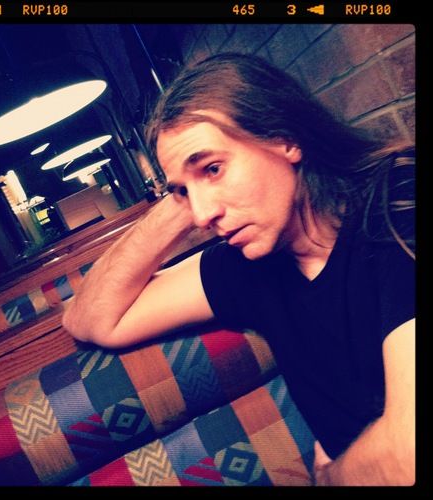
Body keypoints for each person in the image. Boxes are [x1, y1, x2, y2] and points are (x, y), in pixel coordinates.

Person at [62, 53, 415, 486]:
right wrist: (182, 193)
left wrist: (330, 476)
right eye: (184, 192)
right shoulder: (248, 265)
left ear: (286, 138)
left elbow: (409, 455)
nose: (202, 216)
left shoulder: (399, 200)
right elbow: (91, 319)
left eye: (214, 168)